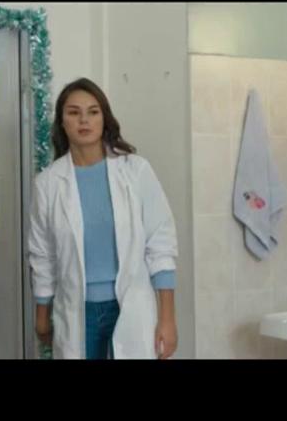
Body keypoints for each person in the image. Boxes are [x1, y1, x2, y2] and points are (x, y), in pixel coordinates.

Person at [29, 78, 179, 359]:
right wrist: (41, 316)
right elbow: (42, 256)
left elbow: (160, 245)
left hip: (130, 307)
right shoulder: (48, 184)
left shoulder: (135, 171)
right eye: (74, 112)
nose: (84, 120)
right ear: (62, 122)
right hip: (77, 311)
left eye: (93, 112)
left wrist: (167, 319)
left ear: (104, 118)